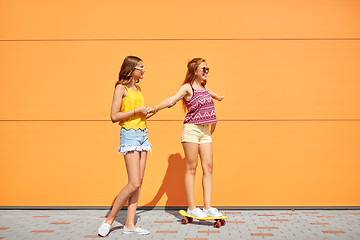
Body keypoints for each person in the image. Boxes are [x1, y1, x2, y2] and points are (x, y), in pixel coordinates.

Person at [149, 58, 225, 219]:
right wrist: (155, 108)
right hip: (191, 130)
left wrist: (219, 97)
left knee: (209, 167)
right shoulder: (187, 88)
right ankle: (191, 207)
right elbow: (171, 100)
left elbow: (212, 94)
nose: (206, 71)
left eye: (207, 69)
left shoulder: (204, 87)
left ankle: (207, 207)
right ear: (194, 70)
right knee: (192, 167)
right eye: (203, 69)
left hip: (205, 132)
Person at [98, 56, 152, 236]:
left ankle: (130, 224)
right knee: (134, 182)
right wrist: (137, 111)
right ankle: (109, 221)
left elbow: (137, 114)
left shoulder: (138, 88)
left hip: (143, 135)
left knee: (139, 183)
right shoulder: (120, 88)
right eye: (141, 67)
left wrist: (146, 113)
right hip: (129, 135)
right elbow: (114, 116)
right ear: (131, 69)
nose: (144, 70)